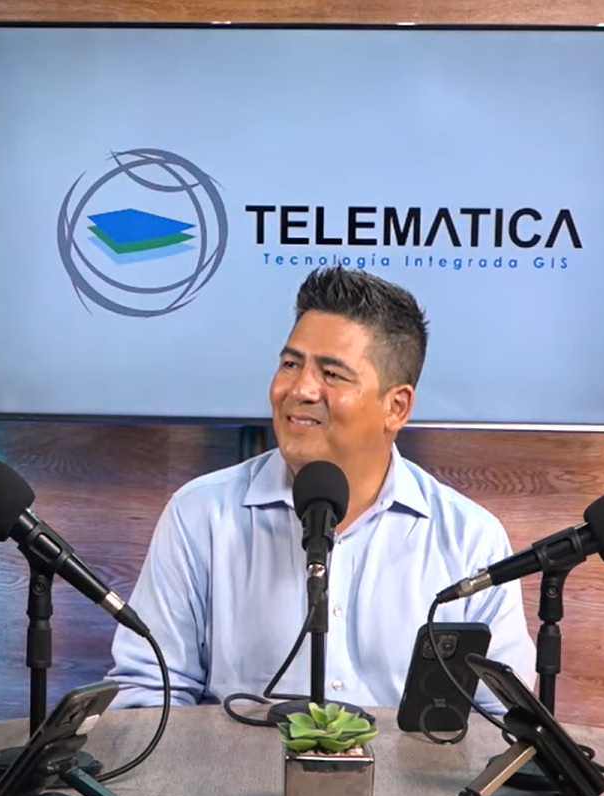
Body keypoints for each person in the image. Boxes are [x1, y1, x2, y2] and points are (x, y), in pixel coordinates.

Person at [105, 266, 534, 714]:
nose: (299, 389)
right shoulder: (201, 516)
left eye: (332, 374)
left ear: (396, 406)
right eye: (291, 364)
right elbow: (146, 696)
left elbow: (502, 719)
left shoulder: (469, 539)